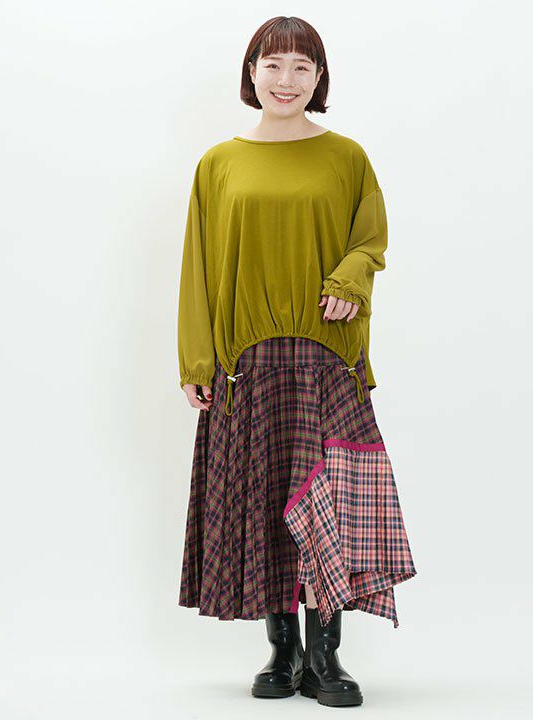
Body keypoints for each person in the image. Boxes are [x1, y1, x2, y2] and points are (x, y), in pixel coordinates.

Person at [176, 15, 417, 708]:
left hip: (327, 362)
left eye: (302, 67)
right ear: (251, 72)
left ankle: (325, 658)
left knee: (330, 509)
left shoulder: (347, 158)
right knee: (266, 506)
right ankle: (282, 652)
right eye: (273, 65)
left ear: (319, 77)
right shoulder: (218, 164)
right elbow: (198, 268)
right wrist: (196, 360)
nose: (286, 80)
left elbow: (370, 241)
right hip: (247, 365)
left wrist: (349, 280)